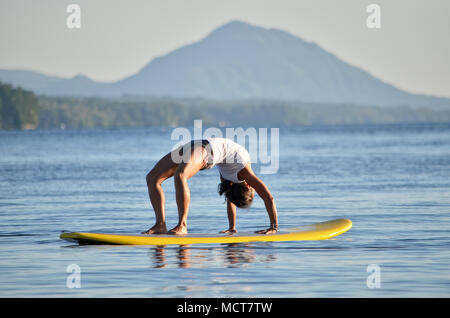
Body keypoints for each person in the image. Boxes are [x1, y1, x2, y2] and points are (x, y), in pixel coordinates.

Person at [141, 138, 278, 235]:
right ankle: (160, 225)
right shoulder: (245, 173)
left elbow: (231, 198)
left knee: (181, 175)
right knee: (152, 178)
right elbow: (268, 198)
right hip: (199, 145)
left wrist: (232, 227)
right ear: (248, 186)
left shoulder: (233, 179)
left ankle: (182, 225)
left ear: (247, 188)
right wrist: (274, 227)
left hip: (204, 149)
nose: (254, 188)